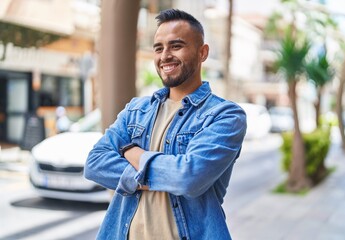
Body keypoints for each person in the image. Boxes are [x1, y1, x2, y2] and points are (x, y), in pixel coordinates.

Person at [84, 9, 247, 240]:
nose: (165, 55)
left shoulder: (225, 116)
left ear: (203, 52)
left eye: (176, 46)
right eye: (158, 48)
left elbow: (189, 178)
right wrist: (161, 174)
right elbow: (95, 163)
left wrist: (132, 152)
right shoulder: (136, 110)